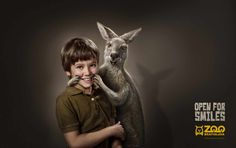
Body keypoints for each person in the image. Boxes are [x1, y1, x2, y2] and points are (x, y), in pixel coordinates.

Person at [56, 37, 124, 148]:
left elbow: (115, 128)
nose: (87, 72)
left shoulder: (104, 92)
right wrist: (110, 131)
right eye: (79, 67)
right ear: (68, 71)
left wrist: (117, 145)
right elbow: (75, 143)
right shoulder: (65, 101)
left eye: (92, 65)